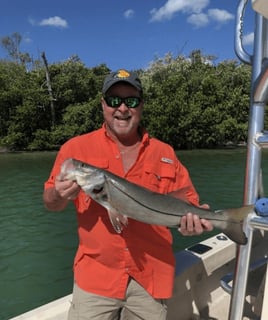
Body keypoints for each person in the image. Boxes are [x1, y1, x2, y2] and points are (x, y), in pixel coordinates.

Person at [43, 69, 213, 320]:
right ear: (103, 104)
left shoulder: (164, 152)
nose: (122, 108)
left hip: (151, 278)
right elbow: (50, 203)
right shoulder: (75, 149)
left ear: (141, 105)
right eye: (114, 100)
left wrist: (193, 224)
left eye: (131, 101)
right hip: (96, 278)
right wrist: (58, 194)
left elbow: (189, 203)